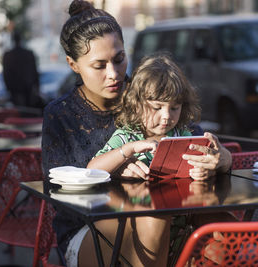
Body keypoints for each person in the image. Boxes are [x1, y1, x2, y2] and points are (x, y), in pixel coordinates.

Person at [41, 1, 232, 266]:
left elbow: (190, 137)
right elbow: (57, 193)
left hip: (164, 221)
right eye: (99, 65)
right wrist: (112, 173)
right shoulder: (60, 113)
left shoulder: (148, 92)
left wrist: (221, 158)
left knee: (217, 220)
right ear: (73, 64)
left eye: (119, 59)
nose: (114, 74)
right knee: (153, 214)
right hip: (88, 228)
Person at [88, 52, 214, 181]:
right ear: (137, 105)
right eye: (157, 108)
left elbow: (207, 164)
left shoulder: (183, 136)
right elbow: (91, 170)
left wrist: (205, 171)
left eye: (174, 108)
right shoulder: (125, 137)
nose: (166, 116)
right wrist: (128, 149)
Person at [2, 31, 41, 108]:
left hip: (16, 90)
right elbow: (35, 72)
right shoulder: (28, 54)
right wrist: (36, 87)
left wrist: (8, 89)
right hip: (27, 89)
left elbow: (6, 74)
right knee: (29, 112)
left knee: (20, 111)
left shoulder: (8, 55)